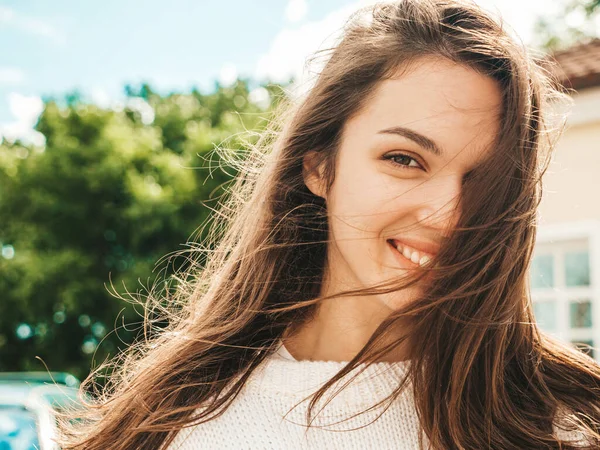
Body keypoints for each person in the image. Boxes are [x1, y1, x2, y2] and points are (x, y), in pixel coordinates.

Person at [59, 0, 600, 448]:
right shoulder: (172, 416)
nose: (448, 214)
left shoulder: (566, 424)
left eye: (486, 182)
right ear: (320, 165)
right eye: (404, 159)